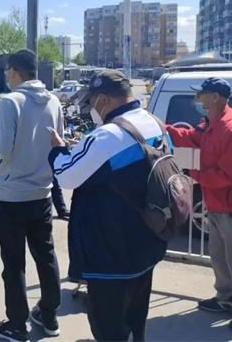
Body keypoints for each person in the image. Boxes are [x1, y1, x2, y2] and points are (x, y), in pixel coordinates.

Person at [48, 69, 168, 342]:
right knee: (136, 316)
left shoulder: (108, 135)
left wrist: (58, 149)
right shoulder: (154, 123)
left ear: (103, 99)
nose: (92, 109)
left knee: (108, 326)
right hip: (148, 238)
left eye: (92, 102)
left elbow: (67, 175)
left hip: (112, 252)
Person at [165, 77, 232, 334]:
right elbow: (191, 137)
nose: (196, 99)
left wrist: (192, 175)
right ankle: (227, 297)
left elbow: (231, 175)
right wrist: (164, 129)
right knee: (219, 256)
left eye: (201, 94)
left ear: (215, 97)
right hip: (219, 205)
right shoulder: (211, 124)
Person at [0, 49, 63, 342]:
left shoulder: (10, 102)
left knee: (14, 262)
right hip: (42, 191)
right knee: (46, 255)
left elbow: (2, 149)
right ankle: (49, 314)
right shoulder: (54, 101)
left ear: (13, 70)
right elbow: (58, 143)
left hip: (12, 194)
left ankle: (17, 324)